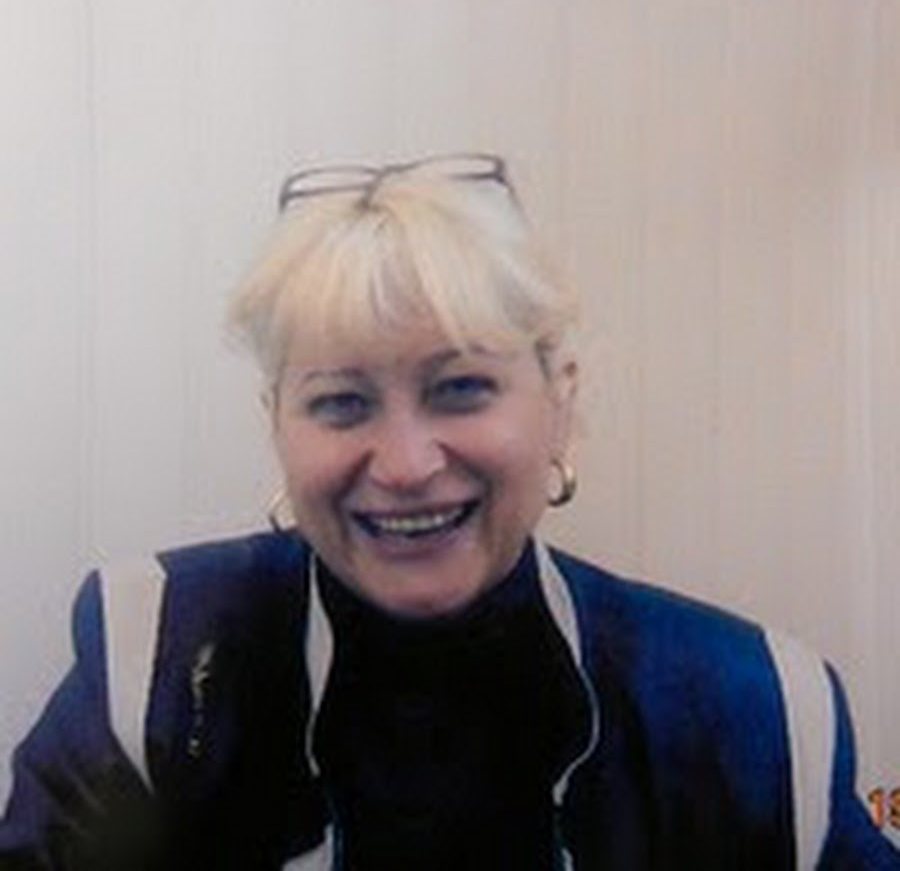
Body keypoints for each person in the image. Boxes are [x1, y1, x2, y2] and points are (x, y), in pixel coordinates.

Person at [0, 153, 896, 870]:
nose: (405, 465)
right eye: (342, 402)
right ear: (276, 424)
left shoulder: (747, 712)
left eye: (461, 388)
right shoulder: (155, 659)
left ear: (559, 402)